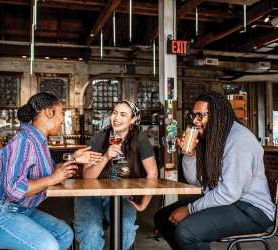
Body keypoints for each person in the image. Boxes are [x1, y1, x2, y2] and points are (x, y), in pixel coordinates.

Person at [0, 92, 102, 250]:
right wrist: (53, 178)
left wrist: (75, 159)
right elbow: (14, 190)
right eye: (61, 113)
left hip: (20, 210)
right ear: (49, 112)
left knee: (64, 234)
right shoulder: (24, 141)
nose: (63, 120)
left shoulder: (39, 142)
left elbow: (50, 173)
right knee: (47, 246)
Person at [154, 91, 275, 250]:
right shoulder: (213, 138)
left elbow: (230, 192)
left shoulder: (240, 140)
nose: (195, 121)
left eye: (200, 116)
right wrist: (190, 155)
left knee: (187, 231)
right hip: (228, 202)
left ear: (217, 115)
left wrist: (190, 209)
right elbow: (197, 181)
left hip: (252, 210)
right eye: (193, 116)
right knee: (163, 217)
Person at [74, 100, 158, 250]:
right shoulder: (100, 137)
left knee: (125, 228)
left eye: (123, 114)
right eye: (114, 113)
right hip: (91, 194)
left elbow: (152, 173)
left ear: (132, 120)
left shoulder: (139, 138)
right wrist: (106, 156)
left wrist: (143, 204)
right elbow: (87, 176)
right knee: (90, 230)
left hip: (121, 195)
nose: (116, 118)